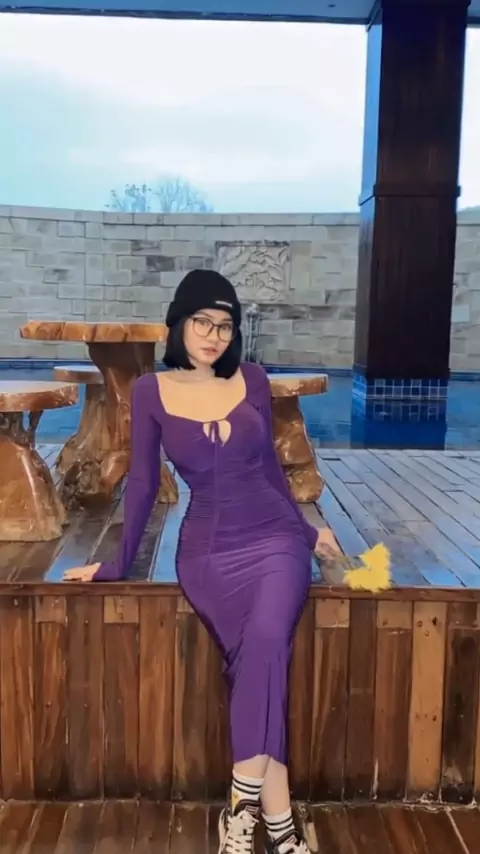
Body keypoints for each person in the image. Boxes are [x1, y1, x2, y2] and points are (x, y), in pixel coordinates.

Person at [65, 269, 341, 854]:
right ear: (179, 324)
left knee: (265, 639)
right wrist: (115, 565)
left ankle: (239, 811)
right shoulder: (151, 391)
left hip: (274, 538)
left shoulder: (254, 380)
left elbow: (271, 471)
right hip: (209, 551)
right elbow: (143, 484)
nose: (215, 336)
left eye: (225, 325)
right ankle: (281, 827)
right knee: (260, 666)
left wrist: (307, 531)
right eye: (203, 322)